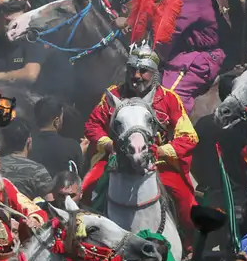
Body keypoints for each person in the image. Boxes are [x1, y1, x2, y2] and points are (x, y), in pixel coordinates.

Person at [81, 41, 198, 227]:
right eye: (132, 70)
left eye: (143, 71)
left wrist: (160, 151)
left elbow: (188, 136)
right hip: (115, 159)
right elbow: (93, 125)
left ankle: (188, 246)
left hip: (157, 162)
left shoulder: (169, 99)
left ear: (154, 73)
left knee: (186, 202)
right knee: (87, 188)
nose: (136, 76)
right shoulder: (113, 95)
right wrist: (109, 145)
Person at [159, 0, 227, 113]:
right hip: (182, 53)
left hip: (200, 58)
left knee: (169, 98)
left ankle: (178, 137)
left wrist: (153, 53)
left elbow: (171, 28)